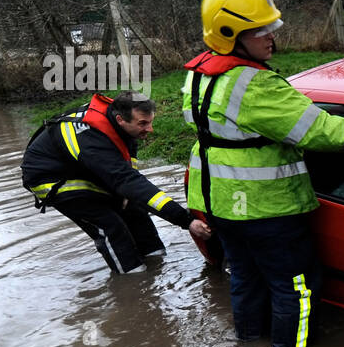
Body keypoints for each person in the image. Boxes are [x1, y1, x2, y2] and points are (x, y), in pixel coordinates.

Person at [182, 0, 344, 347]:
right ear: (231, 35)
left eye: (272, 26)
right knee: (297, 287)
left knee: (245, 278)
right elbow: (327, 132)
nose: (272, 36)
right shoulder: (256, 85)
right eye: (260, 31)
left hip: (219, 201)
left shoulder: (199, 73)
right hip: (265, 207)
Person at [22, 90, 211, 274]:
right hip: (54, 180)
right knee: (110, 225)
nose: (150, 130)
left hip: (87, 169)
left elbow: (130, 176)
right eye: (143, 123)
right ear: (121, 120)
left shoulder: (122, 124)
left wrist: (129, 194)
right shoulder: (93, 141)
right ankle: (133, 284)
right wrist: (186, 221)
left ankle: (156, 261)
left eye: (151, 122)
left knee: (135, 209)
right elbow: (128, 181)